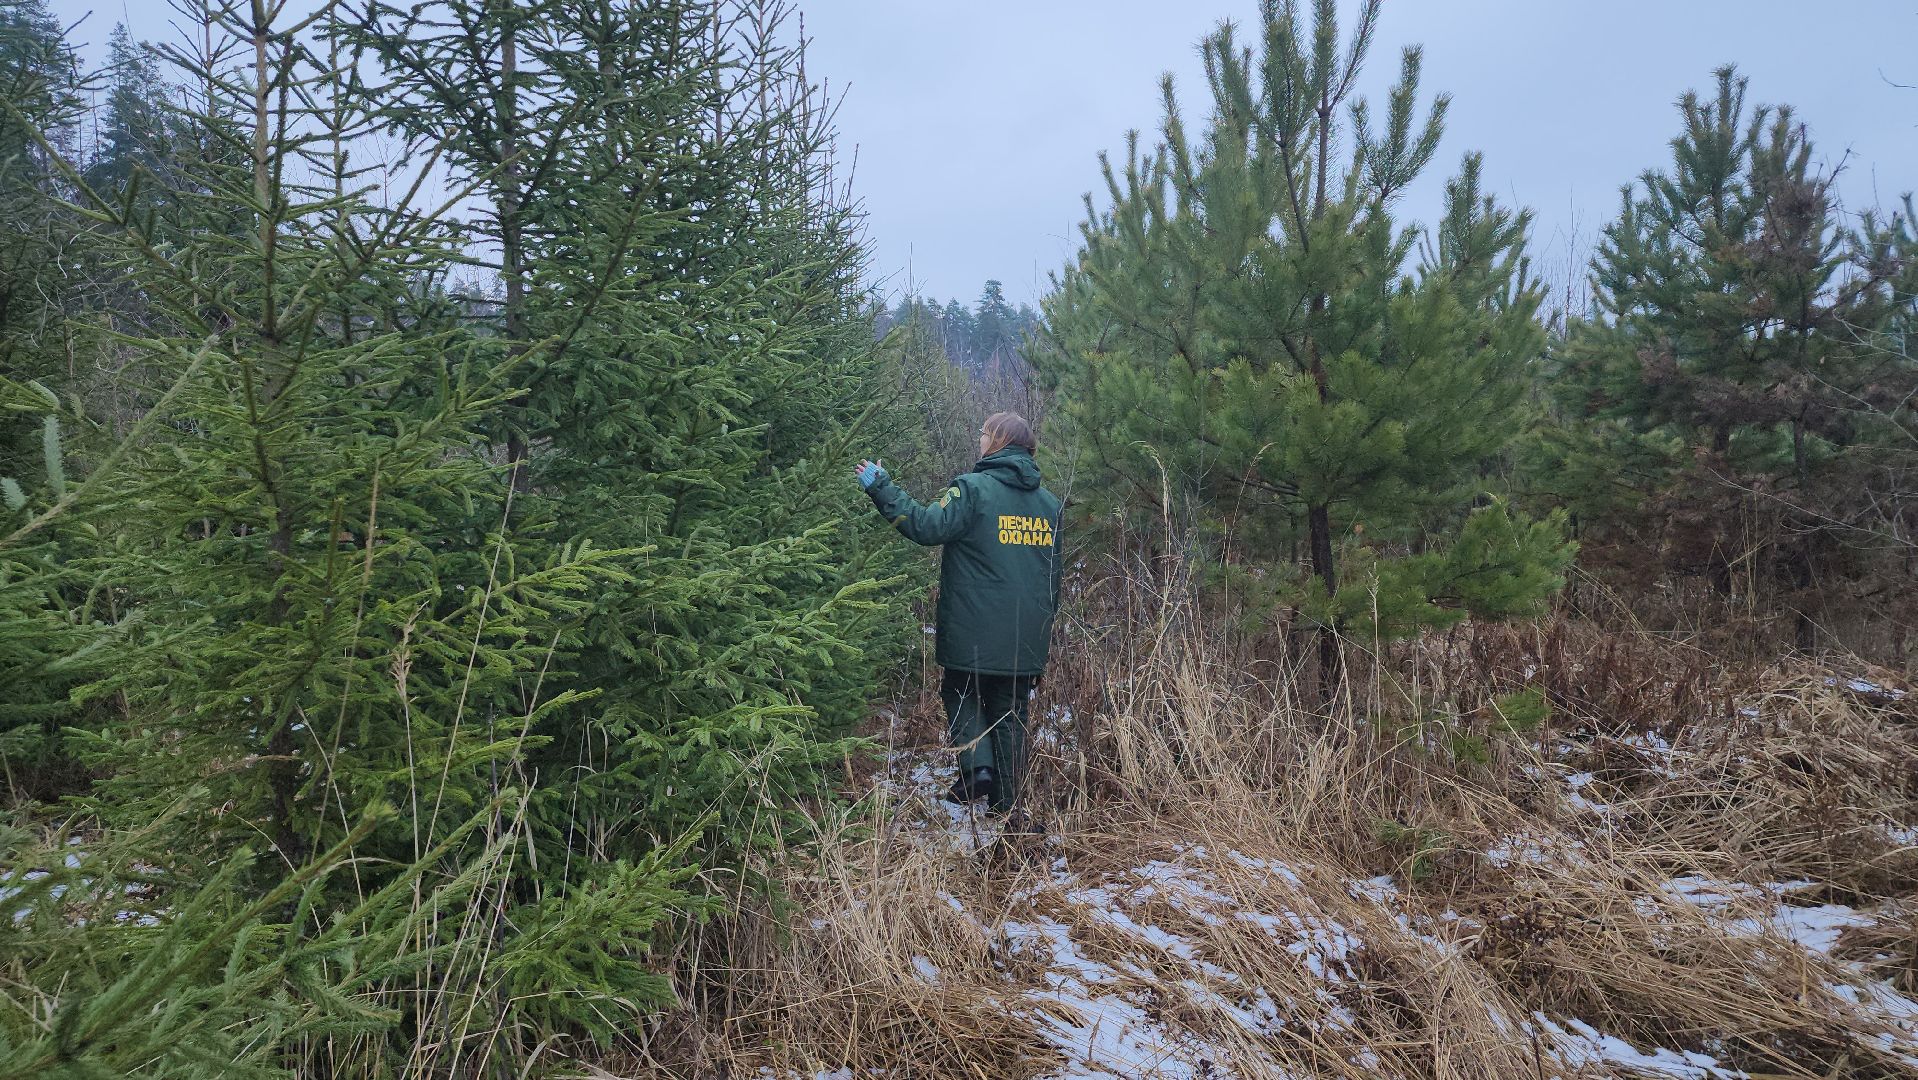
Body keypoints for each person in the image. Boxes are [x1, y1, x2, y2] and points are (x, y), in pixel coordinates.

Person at [855, 412, 1063, 813]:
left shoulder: (971, 490)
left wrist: (882, 488)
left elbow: (926, 527)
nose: (979, 440)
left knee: (960, 689)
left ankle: (976, 768)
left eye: (983, 434)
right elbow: (1054, 575)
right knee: (1011, 710)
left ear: (998, 441)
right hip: (1027, 633)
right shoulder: (1049, 504)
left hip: (974, 626)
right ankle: (1009, 804)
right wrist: (1043, 631)